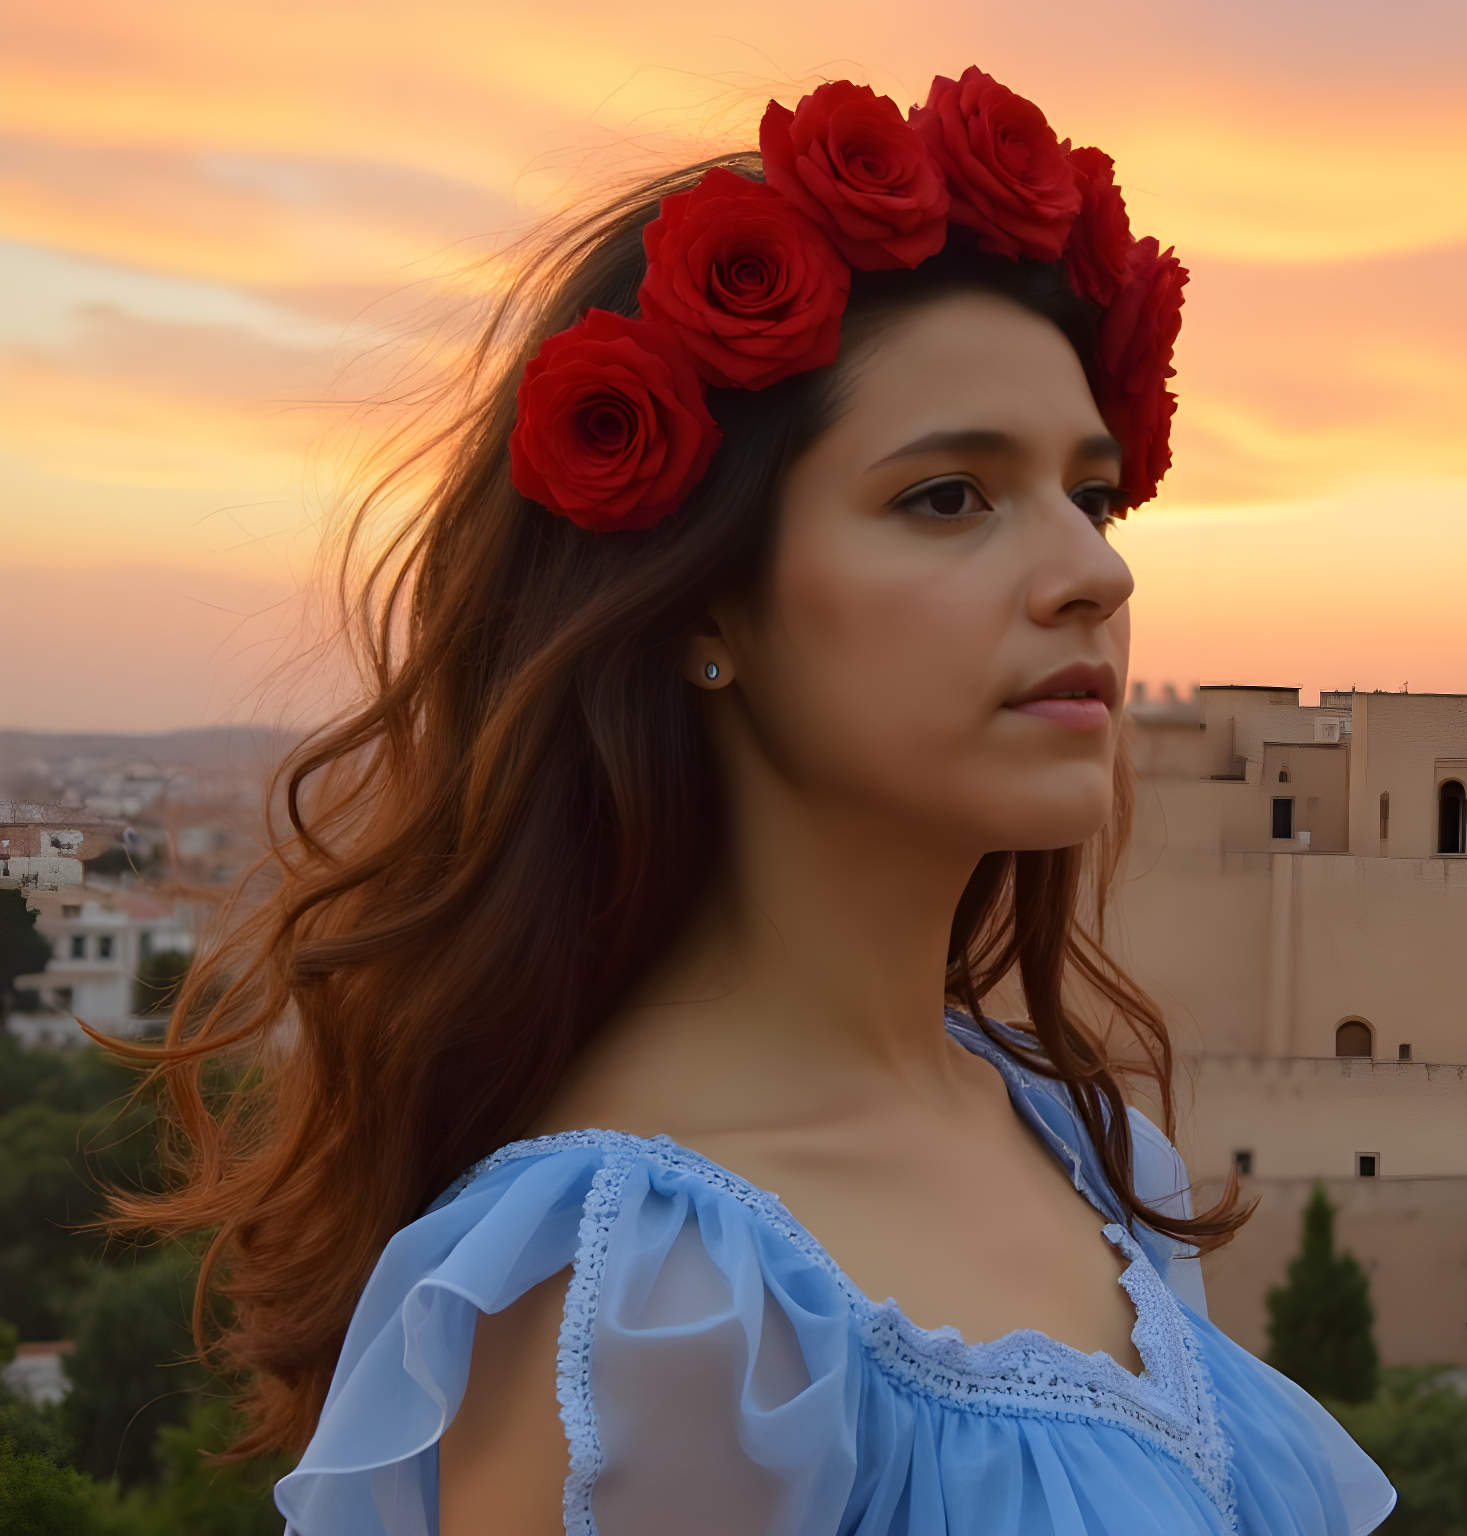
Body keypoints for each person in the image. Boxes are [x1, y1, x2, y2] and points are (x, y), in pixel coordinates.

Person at [115, 67, 1395, 1535]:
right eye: (948, 498)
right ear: (699, 605)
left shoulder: (1066, 1137)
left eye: (1089, 496)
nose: (1096, 573)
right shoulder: (654, 1300)